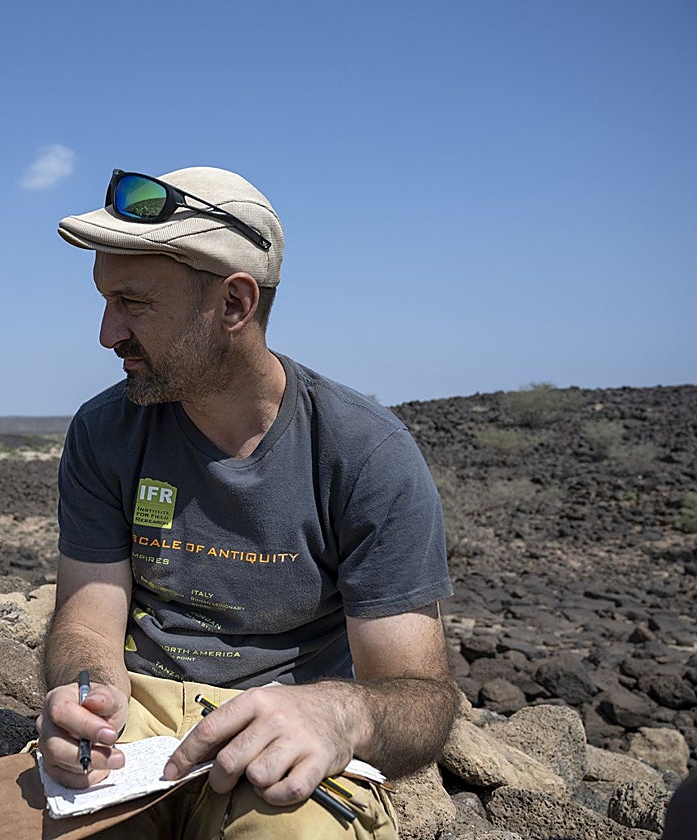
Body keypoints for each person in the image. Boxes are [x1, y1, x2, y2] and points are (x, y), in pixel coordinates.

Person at [35, 166, 458, 838]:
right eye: (105, 301)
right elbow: (88, 620)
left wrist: (337, 715)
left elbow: (422, 700)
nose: (106, 333)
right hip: (132, 730)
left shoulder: (364, 454)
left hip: (282, 730)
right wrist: (86, 695)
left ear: (234, 305)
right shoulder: (103, 432)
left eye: (133, 302)